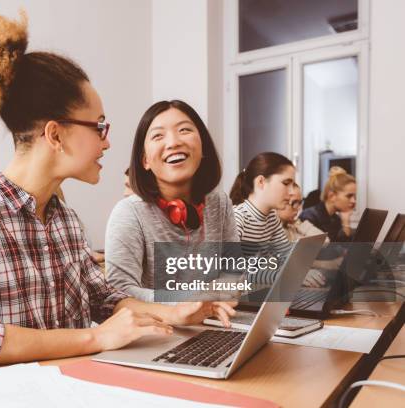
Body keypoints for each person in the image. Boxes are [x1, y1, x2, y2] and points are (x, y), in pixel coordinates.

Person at [0, 9, 236, 377]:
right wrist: (93, 339)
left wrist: (174, 312)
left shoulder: (65, 220)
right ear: (55, 135)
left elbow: (103, 300)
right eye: (99, 127)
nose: (107, 143)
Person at [105, 100, 239, 302]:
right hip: (158, 328)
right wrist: (190, 302)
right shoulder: (129, 212)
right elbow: (119, 291)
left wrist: (207, 301)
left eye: (184, 130)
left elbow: (234, 273)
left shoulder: (219, 202)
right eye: (158, 135)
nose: (174, 142)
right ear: (145, 161)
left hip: (216, 324)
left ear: (202, 148)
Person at [229, 152, 295, 284]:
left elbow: (286, 256)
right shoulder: (237, 217)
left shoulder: (271, 218)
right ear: (261, 182)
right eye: (286, 183)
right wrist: (280, 276)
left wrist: (301, 272)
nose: (292, 191)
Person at [299, 167, 356, 242]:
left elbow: (342, 249)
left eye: (354, 197)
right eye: (349, 196)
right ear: (332, 196)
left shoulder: (336, 219)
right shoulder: (309, 217)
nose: (353, 201)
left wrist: (346, 222)